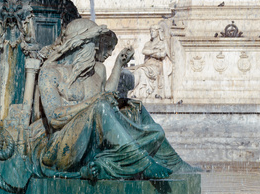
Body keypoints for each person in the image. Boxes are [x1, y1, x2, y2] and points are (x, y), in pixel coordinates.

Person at [33, 18, 188, 180]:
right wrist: (94, 101)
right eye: (95, 43)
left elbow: (106, 101)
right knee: (100, 106)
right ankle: (140, 162)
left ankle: (173, 163)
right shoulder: (51, 72)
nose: (98, 48)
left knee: (134, 108)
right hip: (63, 147)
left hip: (92, 143)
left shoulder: (97, 71)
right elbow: (54, 118)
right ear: (79, 44)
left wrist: (119, 64)